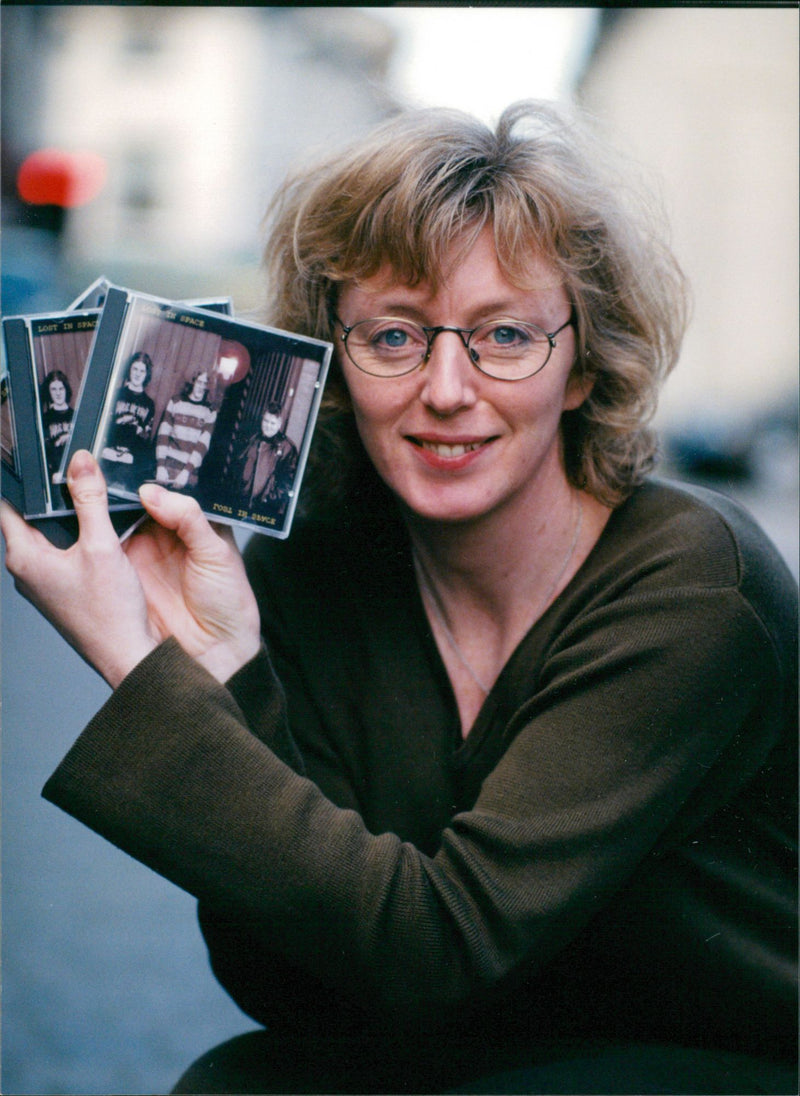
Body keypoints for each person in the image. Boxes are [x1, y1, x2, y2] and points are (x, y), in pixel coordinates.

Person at [1, 101, 797, 1095]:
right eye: (393, 335)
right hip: (459, 1045)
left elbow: (434, 945)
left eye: (504, 334)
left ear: (585, 364)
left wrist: (139, 669)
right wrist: (222, 672)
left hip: (707, 1059)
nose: (448, 388)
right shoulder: (317, 568)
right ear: (330, 369)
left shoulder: (693, 585)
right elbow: (287, 984)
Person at [234, 400, 298, 519]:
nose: (268, 426)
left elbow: (287, 483)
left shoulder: (287, 448)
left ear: (279, 425)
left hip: (264, 509)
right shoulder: (253, 439)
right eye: (266, 421)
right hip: (243, 503)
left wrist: (268, 499)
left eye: (272, 423)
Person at [155, 369, 217, 490]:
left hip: (190, 472)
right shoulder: (176, 401)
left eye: (205, 384)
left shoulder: (210, 411)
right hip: (168, 464)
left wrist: (186, 473)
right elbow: (163, 435)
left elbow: (203, 445)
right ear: (192, 382)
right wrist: (160, 466)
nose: (201, 387)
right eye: (199, 382)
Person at [101, 351, 156, 480]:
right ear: (129, 370)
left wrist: (131, 456)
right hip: (108, 454)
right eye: (135, 369)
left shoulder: (149, 404)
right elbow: (105, 427)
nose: (137, 374)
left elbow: (145, 438)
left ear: (146, 374)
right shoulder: (116, 395)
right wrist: (108, 449)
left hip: (130, 461)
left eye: (142, 371)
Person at [39, 369, 74, 481]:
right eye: (53, 389)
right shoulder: (44, 419)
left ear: (66, 390)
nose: (58, 393)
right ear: (49, 392)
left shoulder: (76, 416)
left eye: (61, 389)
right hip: (56, 475)